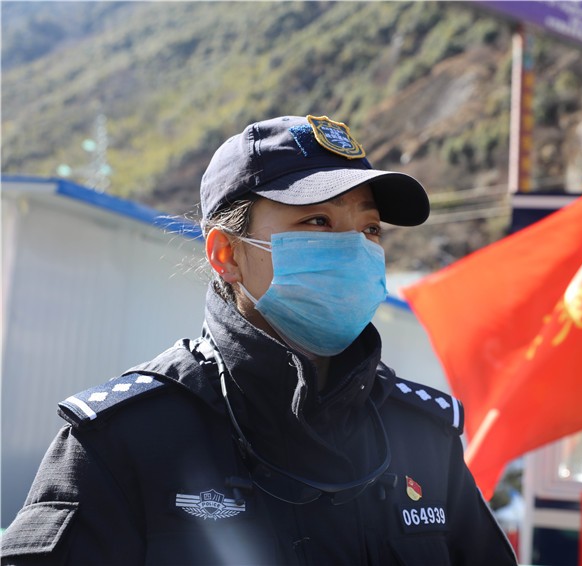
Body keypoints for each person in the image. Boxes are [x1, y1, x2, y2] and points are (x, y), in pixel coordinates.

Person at [1, 115, 517, 565]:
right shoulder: (121, 442)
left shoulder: (423, 438)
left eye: (369, 229)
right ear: (226, 254)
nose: (354, 249)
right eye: (318, 221)